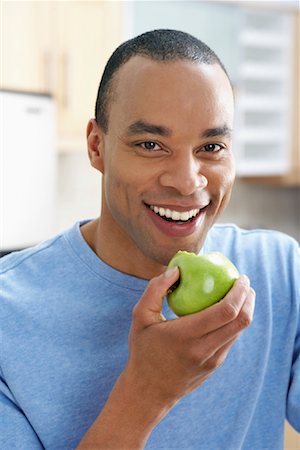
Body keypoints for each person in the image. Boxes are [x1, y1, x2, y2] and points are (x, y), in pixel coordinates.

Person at [0, 29, 299, 450]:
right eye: (151, 144)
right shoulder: (7, 316)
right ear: (96, 146)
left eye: (211, 146)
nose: (186, 181)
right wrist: (146, 394)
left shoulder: (279, 271)